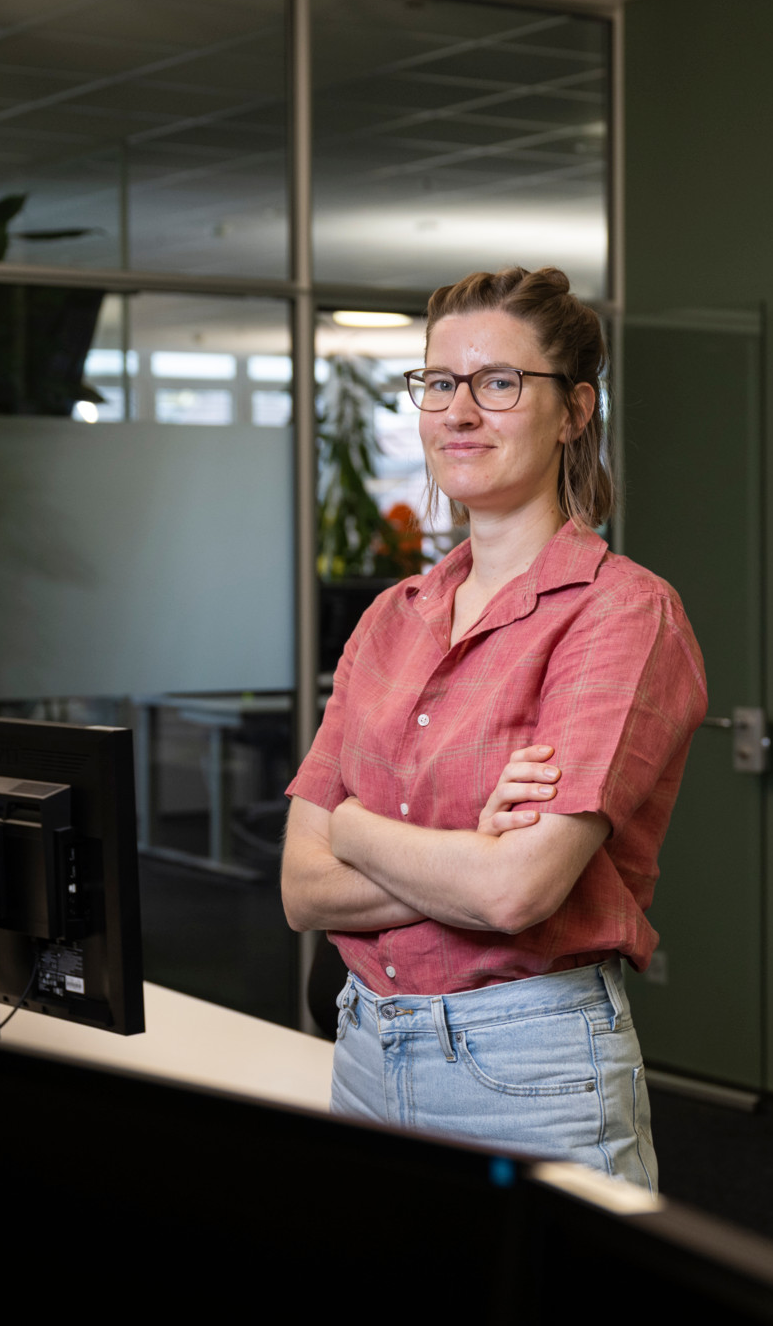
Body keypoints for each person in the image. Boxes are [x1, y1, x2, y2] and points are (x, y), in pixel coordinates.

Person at [279, 266, 707, 1191]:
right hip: (361, 1045)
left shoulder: (621, 614)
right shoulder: (392, 616)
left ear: (574, 410)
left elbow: (518, 892)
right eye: (439, 383)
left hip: (527, 1065)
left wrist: (355, 827)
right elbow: (302, 889)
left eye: (499, 382)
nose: (459, 411)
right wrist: (465, 847)